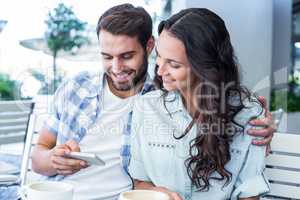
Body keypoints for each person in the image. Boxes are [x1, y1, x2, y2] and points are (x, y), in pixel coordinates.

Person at [31, 4, 274, 200]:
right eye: (107, 56)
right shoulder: (77, 87)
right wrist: (53, 159)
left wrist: (256, 121)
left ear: (148, 47)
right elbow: (38, 156)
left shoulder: (158, 95)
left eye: (126, 56)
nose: (116, 68)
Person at [129, 8, 271, 200]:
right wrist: (159, 193)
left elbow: (249, 195)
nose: (160, 70)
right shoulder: (146, 107)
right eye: (159, 57)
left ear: (206, 68)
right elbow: (139, 181)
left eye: (174, 64)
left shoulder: (249, 114)